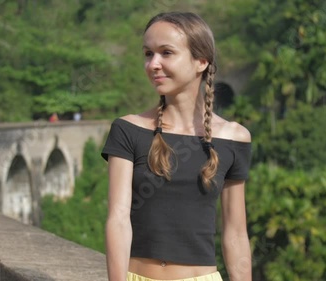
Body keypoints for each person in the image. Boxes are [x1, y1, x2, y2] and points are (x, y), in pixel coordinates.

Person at [101, 12, 252, 281]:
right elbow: (118, 220)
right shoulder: (128, 130)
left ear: (201, 61)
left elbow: (236, 234)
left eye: (166, 53)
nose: (153, 64)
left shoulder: (233, 138)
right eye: (148, 54)